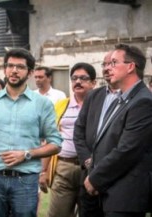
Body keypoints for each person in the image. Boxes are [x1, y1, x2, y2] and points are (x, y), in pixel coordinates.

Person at [0, 48, 63, 217]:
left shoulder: (42, 104)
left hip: (26, 181)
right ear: (4, 69)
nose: (14, 70)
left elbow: (55, 143)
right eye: (10, 66)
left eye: (20, 67)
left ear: (30, 72)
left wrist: (26, 154)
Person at [82, 44, 152, 217]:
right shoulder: (120, 100)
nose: (108, 68)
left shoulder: (143, 102)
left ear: (130, 67)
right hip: (105, 192)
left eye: (114, 62)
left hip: (125, 197)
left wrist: (95, 179)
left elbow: (127, 150)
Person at [40, 62, 96, 217]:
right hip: (64, 166)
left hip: (91, 169)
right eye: (74, 78)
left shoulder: (100, 106)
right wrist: (43, 171)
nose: (78, 82)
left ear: (93, 83)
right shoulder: (61, 106)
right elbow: (50, 138)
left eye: (83, 78)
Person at [73, 51, 120, 217]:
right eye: (104, 65)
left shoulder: (134, 98)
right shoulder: (94, 95)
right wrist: (87, 160)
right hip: (89, 176)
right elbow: (78, 131)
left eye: (112, 64)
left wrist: (102, 164)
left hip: (118, 180)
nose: (107, 68)